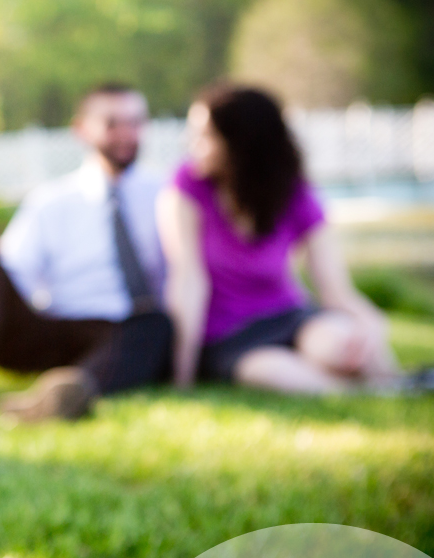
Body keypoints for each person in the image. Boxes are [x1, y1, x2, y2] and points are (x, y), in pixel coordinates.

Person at [0, 83, 173, 420]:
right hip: (56, 327)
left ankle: (68, 393)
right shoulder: (50, 201)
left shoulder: (167, 196)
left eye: (135, 122)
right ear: (82, 129)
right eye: (112, 123)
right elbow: (18, 274)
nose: (126, 134)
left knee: (155, 325)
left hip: (124, 332)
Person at [157, 84, 401, 393]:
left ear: (241, 142)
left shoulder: (294, 193)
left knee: (341, 345)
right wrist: (182, 376)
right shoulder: (188, 186)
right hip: (229, 337)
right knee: (272, 373)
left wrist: (371, 326)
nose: (192, 144)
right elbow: (187, 280)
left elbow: (335, 289)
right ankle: (369, 394)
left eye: (206, 135)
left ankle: (398, 386)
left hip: (289, 316)